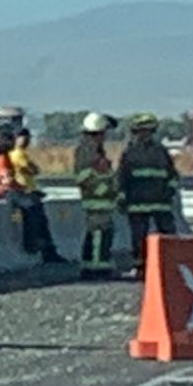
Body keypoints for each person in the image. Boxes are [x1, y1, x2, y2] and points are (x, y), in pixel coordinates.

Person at [117, 113, 179, 275]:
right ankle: (141, 267)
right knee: (139, 238)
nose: (142, 135)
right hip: (139, 203)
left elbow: (172, 176)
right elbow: (122, 178)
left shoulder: (158, 152)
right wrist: (122, 196)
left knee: (166, 236)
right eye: (140, 131)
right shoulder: (131, 153)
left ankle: (169, 265)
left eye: (146, 131)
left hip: (158, 202)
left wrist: (169, 192)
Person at [73, 112, 119, 277]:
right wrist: (104, 188)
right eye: (103, 132)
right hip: (96, 200)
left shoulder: (92, 149)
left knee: (100, 232)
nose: (105, 136)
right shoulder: (88, 150)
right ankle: (97, 268)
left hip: (101, 199)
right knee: (99, 233)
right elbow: (84, 176)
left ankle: (93, 265)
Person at [7, 127, 61, 263]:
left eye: (27, 137)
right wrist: (31, 168)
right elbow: (31, 169)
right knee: (37, 221)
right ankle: (40, 248)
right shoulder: (17, 154)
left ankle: (47, 251)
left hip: (30, 190)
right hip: (24, 192)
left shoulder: (21, 154)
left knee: (41, 222)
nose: (26, 140)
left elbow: (34, 170)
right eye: (22, 137)